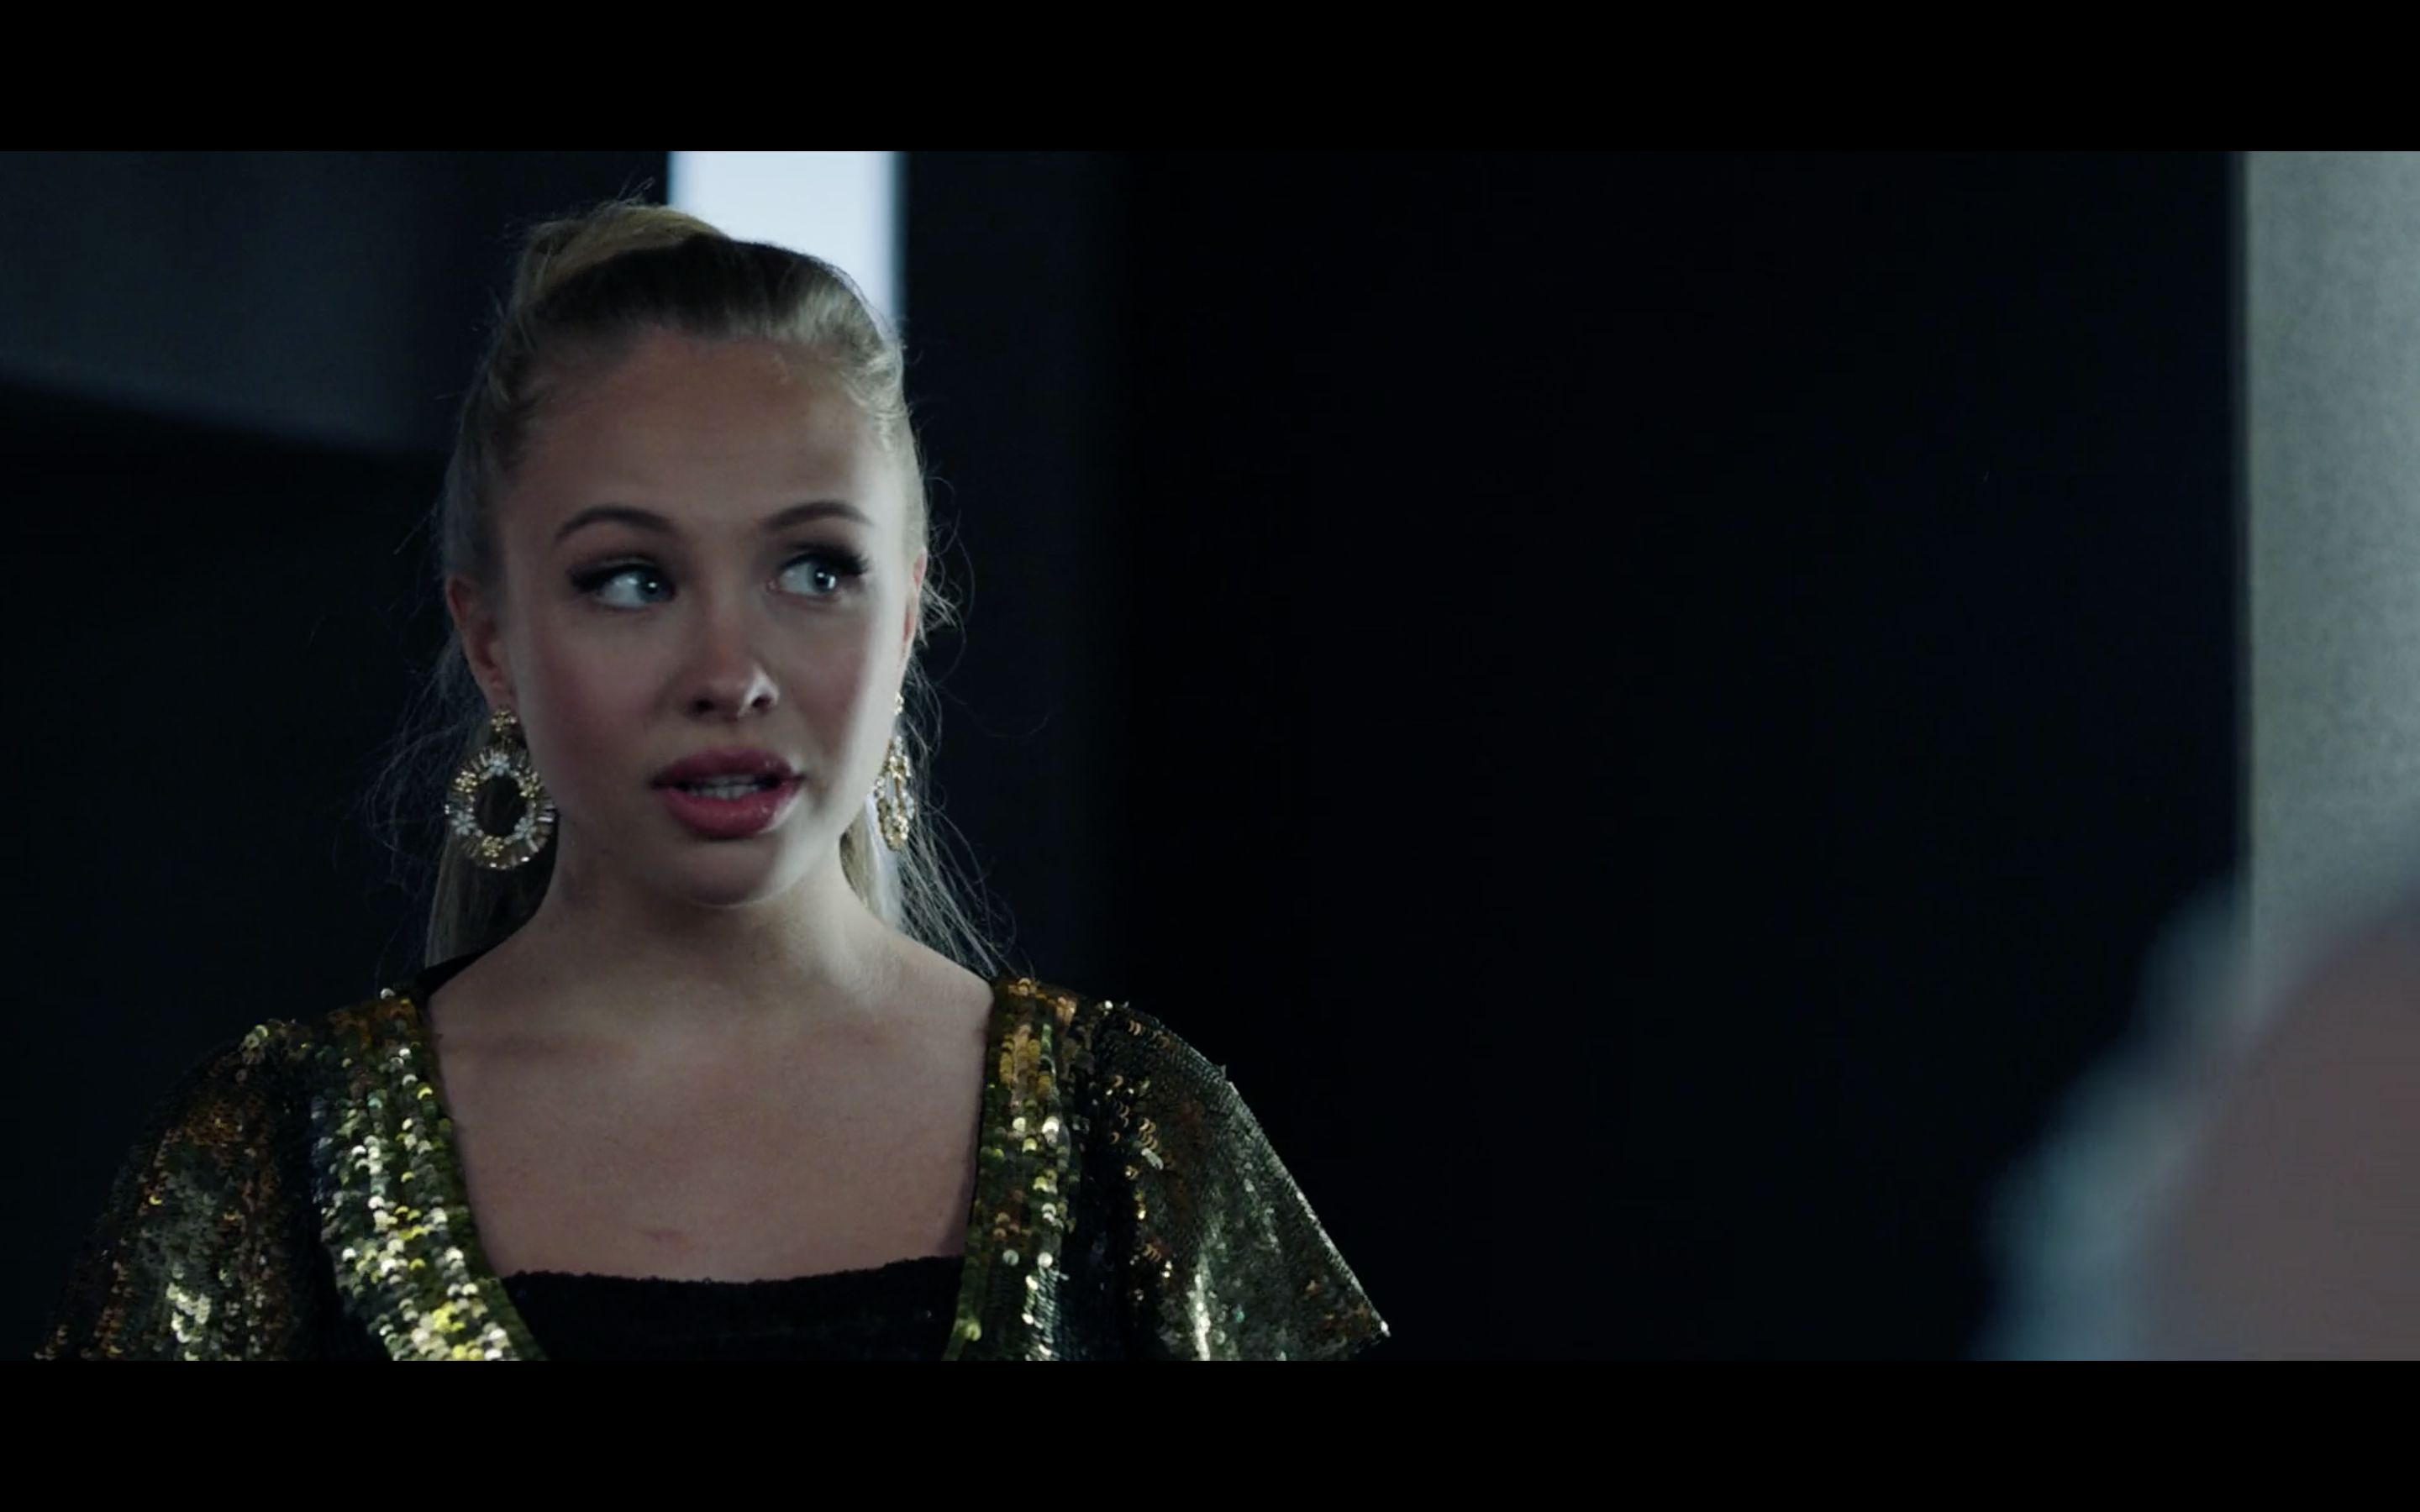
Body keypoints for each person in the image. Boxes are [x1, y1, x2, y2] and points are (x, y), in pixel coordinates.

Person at [34, 202, 1388, 1362]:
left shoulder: (1130, 1140)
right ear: (491, 641)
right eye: (632, 580)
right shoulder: (277, 1158)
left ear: (908, 617)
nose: (730, 674)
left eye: (815, 569)